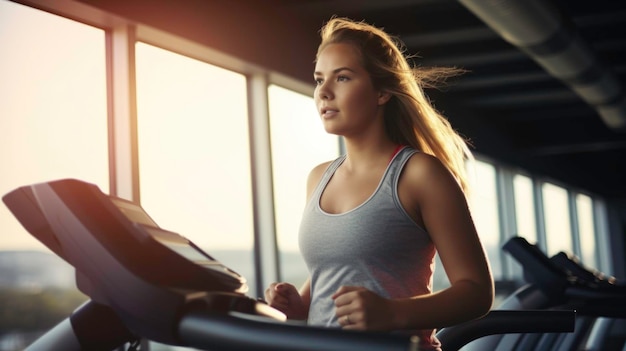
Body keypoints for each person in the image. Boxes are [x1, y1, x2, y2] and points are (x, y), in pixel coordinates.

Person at [264, 17, 494, 350]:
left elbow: (476, 291)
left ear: (382, 91)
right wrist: (298, 305)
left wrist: (392, 312)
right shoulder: (318, 177)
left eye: (342, 77)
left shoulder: (419, 174)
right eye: (319, 80)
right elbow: (339, 270)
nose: (324, 92)